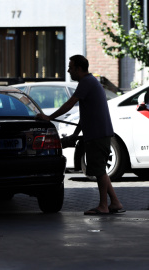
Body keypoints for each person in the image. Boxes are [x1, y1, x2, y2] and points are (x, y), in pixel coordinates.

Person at [37, 54, 124, 215]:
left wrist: (49, 117)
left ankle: (103, 206)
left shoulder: (86, 82)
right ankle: (115, 203)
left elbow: (70, 104)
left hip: (97, 135)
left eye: (70, 67)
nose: (69, 71)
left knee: (99, 171)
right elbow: (87, 114)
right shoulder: (91, 82)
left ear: (78, 68)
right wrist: (75, 134)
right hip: (99, 134)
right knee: (101, 170)